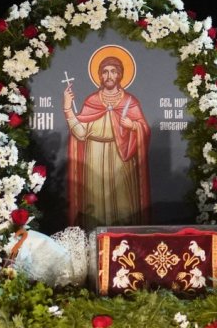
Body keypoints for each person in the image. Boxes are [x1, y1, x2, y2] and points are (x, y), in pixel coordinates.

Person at [63, 52, 151, 228]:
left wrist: (133, 125)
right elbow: (80, 133)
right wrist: (68, 108)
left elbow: (144, 130)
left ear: (120, 74)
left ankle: (125, 242)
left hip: (121, 158)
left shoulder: (129, 101)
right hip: (94, 158)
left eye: (113, 71)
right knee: (94, 205)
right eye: (105, 71)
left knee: (124, 204)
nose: (109, 75)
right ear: (100, 76)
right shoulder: (92, 101)